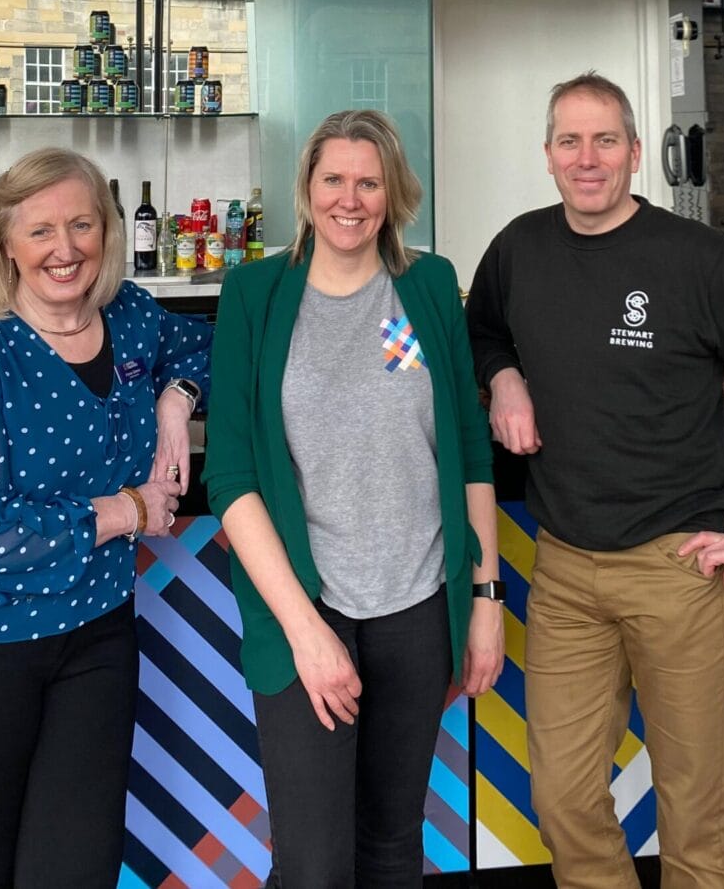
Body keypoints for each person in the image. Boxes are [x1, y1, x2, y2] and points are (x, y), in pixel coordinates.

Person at [466, 72, 724, 889]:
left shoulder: (698, 260)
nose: (587, 158)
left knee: (694, 810)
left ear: (636, 152)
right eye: (570, 140)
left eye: (605, 139)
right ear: (547, 154)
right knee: (563, 798)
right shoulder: (518, 248)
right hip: (567, 570)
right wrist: (503, 375)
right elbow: (480, 331)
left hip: (680, 568)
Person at [0, 148, 212, 889]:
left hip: (94, 639)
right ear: (6, 244)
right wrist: (126, 509)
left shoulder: (130, 319)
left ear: (108, 230)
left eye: (83, 224)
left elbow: (216, 346)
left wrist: (175, 396)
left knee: (77, 871)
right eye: (41, 231)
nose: (66, 248)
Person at [204, 108, 504, 889]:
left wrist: (485, 597)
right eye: (333, 178)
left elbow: (469, 448)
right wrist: (307, 632)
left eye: (368, 181)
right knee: (313, 865)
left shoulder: (429, 284)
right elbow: (230, 476)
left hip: (417, 608)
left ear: (393, 192)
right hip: (305, 611)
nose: (350, 197)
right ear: (306, 189)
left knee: (393, 848)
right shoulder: (255, 294)